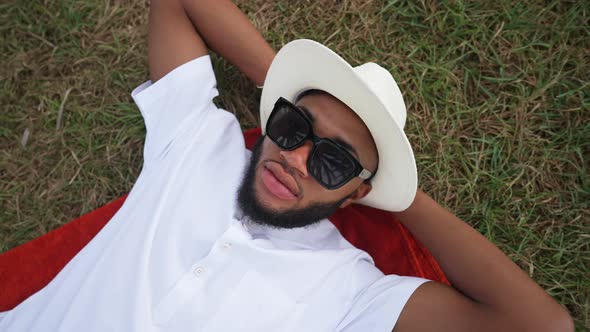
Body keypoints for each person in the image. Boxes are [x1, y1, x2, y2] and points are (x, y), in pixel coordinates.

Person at [0, 0, 573, 331]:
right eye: (294, 129)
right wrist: (280, 86)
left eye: (332, 162)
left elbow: (543, 327)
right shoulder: (199, 140)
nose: (294, 158)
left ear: (356, 195)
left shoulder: (352, 293)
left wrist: (401, 195)